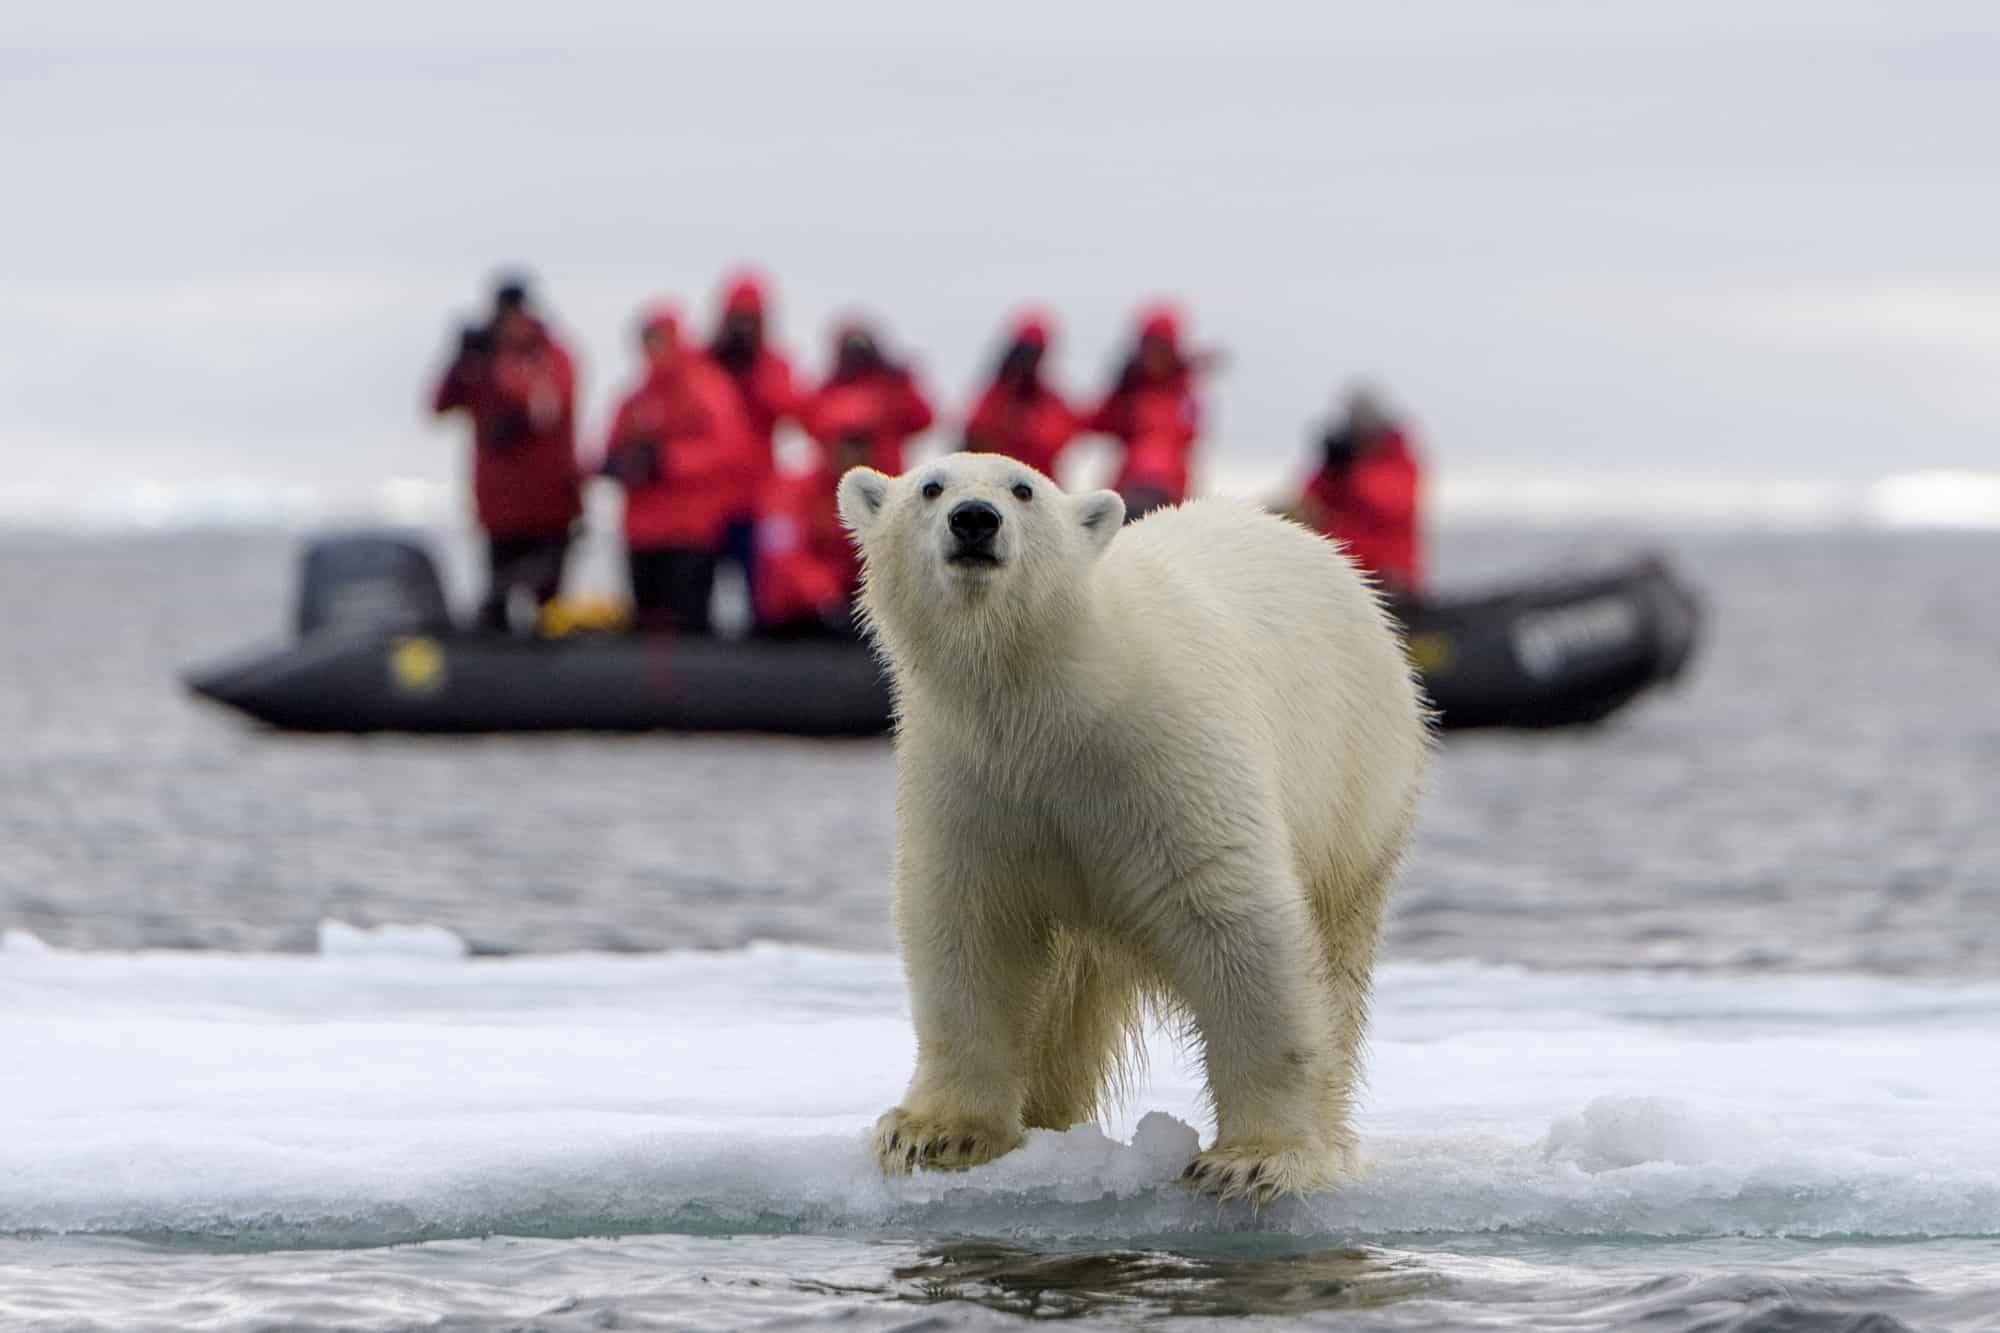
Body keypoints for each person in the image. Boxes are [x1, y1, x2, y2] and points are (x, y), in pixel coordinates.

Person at [431, 275, 581, 632]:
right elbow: (439, 406)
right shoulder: (481, 362)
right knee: (497, 607)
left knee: (550, 610)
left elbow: (548, 408)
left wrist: (504, 382)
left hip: (548, 509)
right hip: (499, 510)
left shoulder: (551, 357)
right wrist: (460, 362)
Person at [599, 304, 757, 634]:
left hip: (690, 533)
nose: (654, 348)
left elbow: (730, 449)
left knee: (690, 630)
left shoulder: (708, 389)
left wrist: (665, 460)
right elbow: (605, 454)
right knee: (646, 631)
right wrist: (619, 464)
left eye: (660, 338)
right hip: (641, 534)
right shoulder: (633, 400)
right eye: (648, 340)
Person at [707, 269, 800, 591]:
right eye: (738, 318)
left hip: (755, 497)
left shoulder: (773, 365)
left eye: (750, 319)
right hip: (707, 500)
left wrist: (753, 371)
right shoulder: (704, 362)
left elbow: (791, 409)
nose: (743, 327)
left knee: (759, 590)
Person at [1291, 384, 1425, 599]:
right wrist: (1331, 470)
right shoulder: (1345, 464)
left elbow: (1390, 503)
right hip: (1344, 572)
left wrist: (1352, 467)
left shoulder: (1397, 459)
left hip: (1391, 577)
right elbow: (1309, 501)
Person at [1086, 302, 1206, 519]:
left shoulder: (1183, 392)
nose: (1153, 354)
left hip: (1169, 492)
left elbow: (1187, 437)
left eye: (1160, 346)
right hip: (1129, 488)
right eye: (1148, 345)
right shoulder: (1130, 393)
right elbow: (1093, 422)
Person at [753, 430, 872, 639]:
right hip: (793, 614)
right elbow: (783, 553)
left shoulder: (866, 496)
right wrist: (825, 595)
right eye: (847, 447)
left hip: (841, 606)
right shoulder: (793, 490)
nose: (853, 457)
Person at [798, 320, 934, 475]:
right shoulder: (829, 392)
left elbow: (924, 418)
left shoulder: (892, 388)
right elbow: (807, 422)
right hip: (834, 486)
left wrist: (903, 383)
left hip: (887, 482)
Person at [961, 309, 1079, 479]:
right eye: (1025, 350)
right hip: (994, 487)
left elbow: (1054, 442)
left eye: (1034, 351)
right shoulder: (995, 396)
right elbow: (974, 432)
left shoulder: (1051, 403)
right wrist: (1002, 385)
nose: (1028, 359)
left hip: (1037, 492)